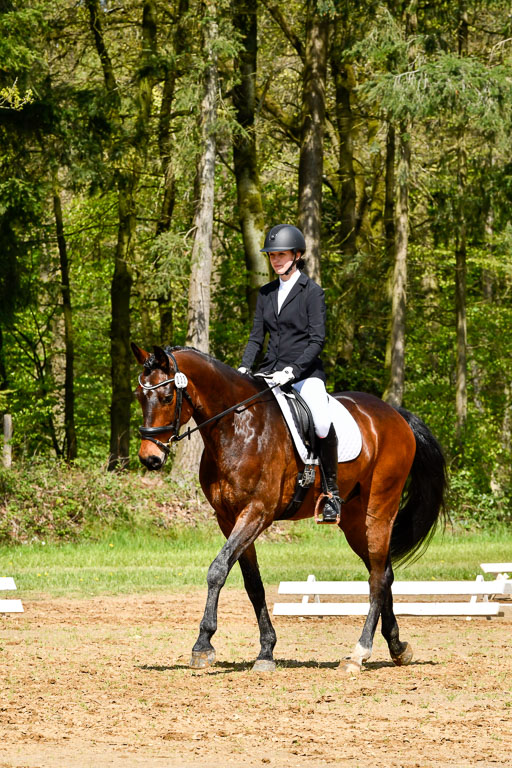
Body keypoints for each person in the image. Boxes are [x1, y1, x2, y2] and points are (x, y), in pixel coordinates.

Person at [238, 224, 341, 522]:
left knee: (321, 422)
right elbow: (257, 337)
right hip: (269, 372)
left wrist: (293, 371)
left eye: (281, 255)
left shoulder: (312, 293)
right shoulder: (266, 293)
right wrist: (245, 366)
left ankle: (331, 495)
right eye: (272, 256)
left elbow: (316, 341)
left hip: (305, 373)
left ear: (296, 255)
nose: (276, 260)